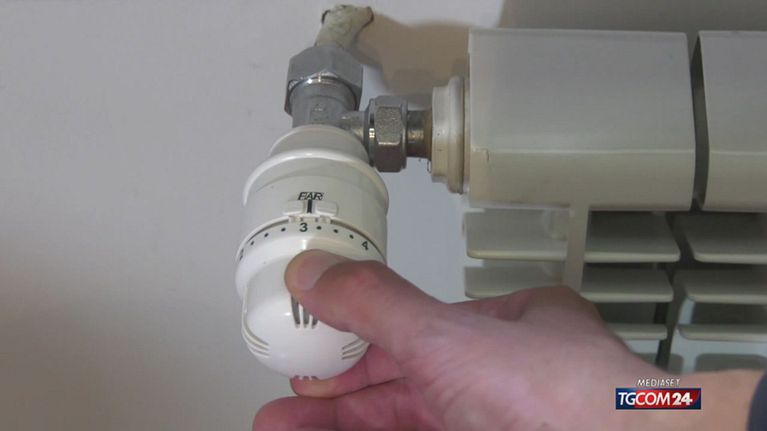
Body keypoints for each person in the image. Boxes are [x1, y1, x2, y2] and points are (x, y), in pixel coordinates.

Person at [253, 250, 766, 431]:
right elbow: (658, 399)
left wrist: (622, 404)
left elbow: (653, 402)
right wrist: (624, 399)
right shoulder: (653, 398)